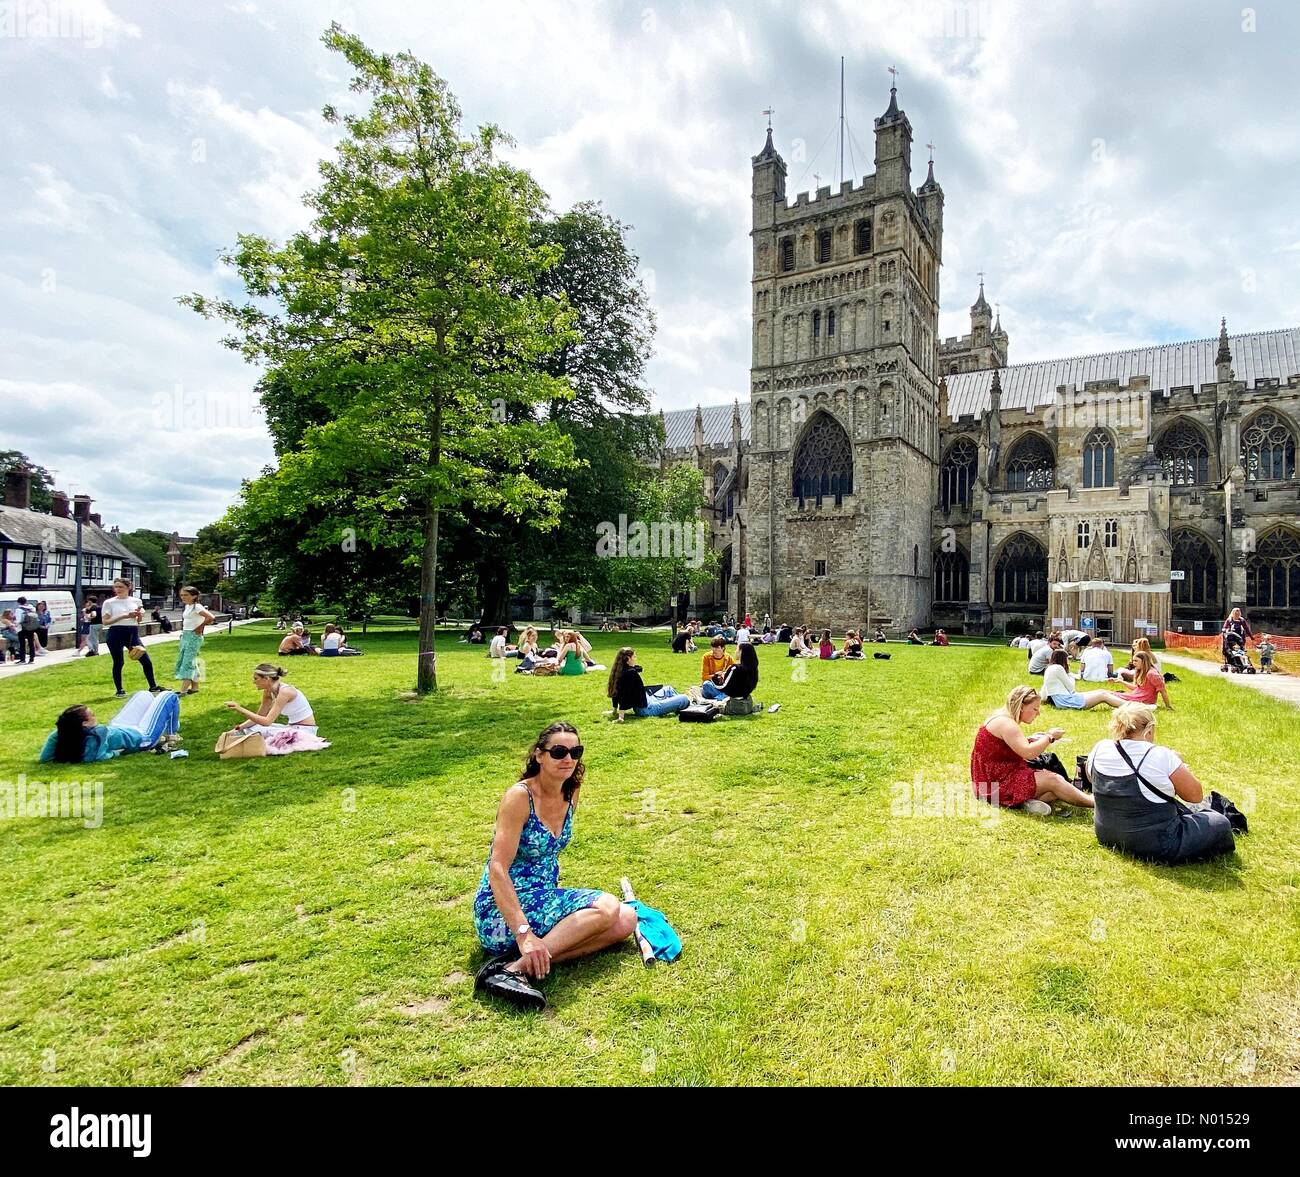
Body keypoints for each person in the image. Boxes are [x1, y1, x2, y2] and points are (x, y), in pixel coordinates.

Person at [473, 723, 638, 1009]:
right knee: (608, 906)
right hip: (502, 914)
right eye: (559, 751)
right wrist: (524, 934)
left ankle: (514, 967)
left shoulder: (570, 792)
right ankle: (515, 965)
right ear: (539, 755)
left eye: (575, 752)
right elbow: (497, 868)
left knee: (626, 920)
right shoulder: (520, 797)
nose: (568, 759)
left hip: (542, 899)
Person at [1087, 703, 1235, 865]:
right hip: (1156, 844)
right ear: (1149, 730)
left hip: (1106, 833)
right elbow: (1195, 796)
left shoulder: (1100, 748)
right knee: (1220, 822)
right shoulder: (1160, 755)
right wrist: (1180, 765)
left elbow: (1091, 777)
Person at [970, 686, 1094, 814]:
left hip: (988, 784)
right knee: (1055, 780)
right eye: (1035, 709)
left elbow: (1006, 747)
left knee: (1059, 790)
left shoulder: (1000, 718)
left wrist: (1031, 739)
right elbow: (1029, 753)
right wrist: (1049, 737)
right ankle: (1095, 802)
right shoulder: (1007, 724)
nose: (1038, 713)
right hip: (997, 784)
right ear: (1021, 706)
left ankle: (1023, 802)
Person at [40, 691, 181, 763]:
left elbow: (44, 758)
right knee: (170, 696)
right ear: (84, 724)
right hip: (142, 736)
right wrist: (118, 753)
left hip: (120, 728)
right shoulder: (98, 733)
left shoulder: (66, 733)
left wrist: (58, 733)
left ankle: (165, 722)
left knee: (144, 694)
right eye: (92, 715)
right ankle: (171, 736)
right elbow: (100, 756)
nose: (96, 717)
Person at [102, 578, 161, 698]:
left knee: (146, 660)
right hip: (116, 633)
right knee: (118, 662)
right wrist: (124, 615)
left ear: (128, 587)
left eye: (121, 587)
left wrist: (138, 615)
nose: (118, 589)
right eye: (116, 587)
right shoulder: (109, 602)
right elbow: (105, 621)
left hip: (132, 632)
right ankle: (119, 690)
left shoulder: (136, 601)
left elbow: (139, 620)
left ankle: (153, 686)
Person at [224, 663, 318, 735]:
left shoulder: (285, 692)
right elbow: (260, 716)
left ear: (267, 678)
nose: (254, 682)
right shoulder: (268, 692)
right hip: (292, 727)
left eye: (256, 678)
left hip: (305, 730)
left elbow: (267, 721)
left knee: (257, 732)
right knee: (252, 728)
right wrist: (238, 729)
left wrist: (240, 709)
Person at [607, 646, 690, 720]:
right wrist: (621, 717)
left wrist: (614, 710)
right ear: (628, 659)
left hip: (646, 700)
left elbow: (615, 692)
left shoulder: (619, 671)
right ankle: (681, 708)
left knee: (669, 689)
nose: (636, 659)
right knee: (684, 698)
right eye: (634, 657)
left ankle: (677, 708)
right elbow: (623, 695)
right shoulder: (630, 673)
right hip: (646, 709)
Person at [1041, 649, 1121, 710]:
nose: (1068, 661)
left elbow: (1045, 688)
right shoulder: (1058, 668)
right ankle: (1128, 706)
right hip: (1065, 700)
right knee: (1102, 695)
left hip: (1063, 698)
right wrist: (1071, 676)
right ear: (1063, 659)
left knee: (1101, 691)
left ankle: (1126, 700)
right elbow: (1071, 689)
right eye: (1067, 659)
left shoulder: (1050, 668)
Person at [174, 585, 215, 695]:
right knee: (190, 661)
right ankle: (194, 687)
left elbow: (210, 617)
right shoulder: (188, 606)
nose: (183, 597)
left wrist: (200, 627)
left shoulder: (197, 607)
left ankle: (183, 690)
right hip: (186, 635)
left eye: (186, 595)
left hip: (193, 637)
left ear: (194, 596)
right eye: (182, 595)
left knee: (187, 662)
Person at [697, 639, 760, 705]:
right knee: (706, 684)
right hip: (742, 694)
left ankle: (720, 698)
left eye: (737, 649)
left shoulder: (734, 667)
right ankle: (720, 697)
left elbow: (725, 686)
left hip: (731, 693)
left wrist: (717, 676)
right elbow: (705, 677)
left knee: (706, 685)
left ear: (741, 652)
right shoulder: (753, 668)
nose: (735, 651)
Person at [13, 596, 39, 664]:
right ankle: (31, 659)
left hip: (22, 628)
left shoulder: (18, 610)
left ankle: (22, 659)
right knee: (31, 643)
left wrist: (15, 623)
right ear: (26, 601)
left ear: (18, 602)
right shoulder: (32, 608)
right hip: (31, 628)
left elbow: (18, 620)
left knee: (22, 644)